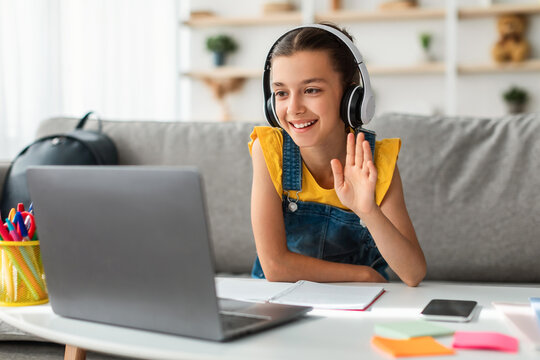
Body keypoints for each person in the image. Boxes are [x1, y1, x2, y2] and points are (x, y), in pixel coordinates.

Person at [248, 23, 426, 287]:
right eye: (281, 93)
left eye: (311, 90)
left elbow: (413, 273)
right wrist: (362, 275)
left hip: (359, 303)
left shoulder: (376, 160)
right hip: (284, 299)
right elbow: (275, 266)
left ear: (352, 97)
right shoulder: (269, 149)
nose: (293, 108)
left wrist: (368, 210)